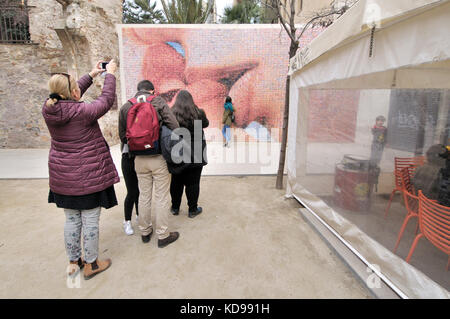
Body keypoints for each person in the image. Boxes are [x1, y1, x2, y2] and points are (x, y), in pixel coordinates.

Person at [42, 60, 119, 280]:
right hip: (88, 177)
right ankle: (92, 263)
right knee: (91, 220)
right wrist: (110, 75)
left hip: (63, 178)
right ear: (74, 92)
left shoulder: (49, 108)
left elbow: (68, 95)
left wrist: (92, 74)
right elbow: (106, 101)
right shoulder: (81, 111)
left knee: (72, 220)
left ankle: (74, 260)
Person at [120, 80, 180, 247]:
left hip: (138, 159)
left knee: (144, 196)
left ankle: (145, 232)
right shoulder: (157, 101)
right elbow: (175, 125)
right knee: (161, 197)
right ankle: (163, 235)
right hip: (157, 156)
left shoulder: (127, 107)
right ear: (152, 90)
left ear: (138, 90)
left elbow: (122, 136)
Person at [169, 90, 209, 218]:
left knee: (176, 181)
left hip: (178, 152)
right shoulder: (198, 113)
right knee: (193, 182)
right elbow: (206, 124)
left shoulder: (171, 114)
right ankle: (192, 210)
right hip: (196, 153)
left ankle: (175, 207)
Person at [118, 84, 146, 236]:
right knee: (134, 191)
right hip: (139, 155)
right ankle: (127, 220)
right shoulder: (148, 106)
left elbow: (121, 135)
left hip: (129, 155)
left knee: (135, 191)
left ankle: (136, 216)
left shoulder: (124, 108)